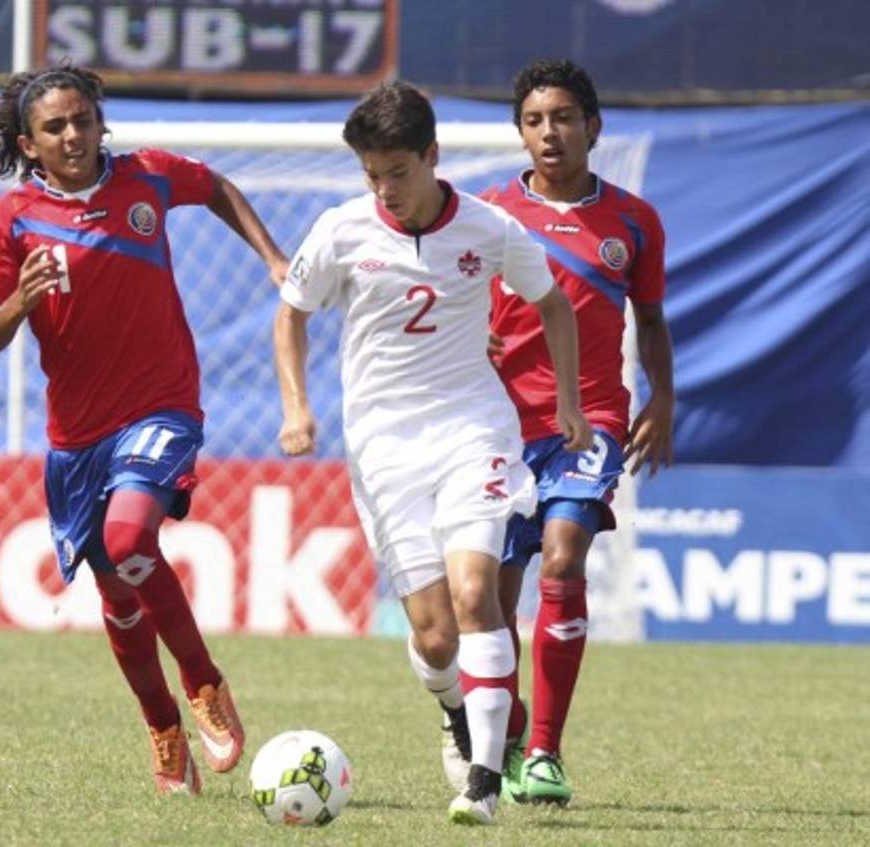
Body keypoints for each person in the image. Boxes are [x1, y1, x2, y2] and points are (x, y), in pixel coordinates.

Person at [274, 80, 592, 826]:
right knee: (433, 632)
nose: (385, 190)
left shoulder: (489, 228)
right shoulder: (341, 231)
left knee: (479, 594)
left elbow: (551, 304)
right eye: (372, 175)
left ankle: (483, 779)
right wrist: (297, 406)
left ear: (432, 156)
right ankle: (455, 711)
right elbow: (290, 317)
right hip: (383, 445)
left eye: (398, 172)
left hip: (472, 428)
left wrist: (570, 403)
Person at [0, 63, 288, 795]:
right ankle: (163, 725)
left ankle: (205, 681)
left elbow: (215, 189)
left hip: (162, 404)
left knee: (127, 538)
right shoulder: (11, 218)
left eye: (83, 119)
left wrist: (271, 256)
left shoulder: (146, 177)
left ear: (100, 120)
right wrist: (21, 300)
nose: (73, 135)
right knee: (115, 595)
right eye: (55, 126)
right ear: (29, 142)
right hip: (77, 435)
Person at [484, 58, 675, 806]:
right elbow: (452, 300)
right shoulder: (492, 214)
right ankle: (507, 721)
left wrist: (662, 397)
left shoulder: (634, 221)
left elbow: (652, 321)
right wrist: (473, 339)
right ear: (521, 134)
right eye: (534, 121)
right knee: (493, 604)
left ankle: (544, 753)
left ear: (593, 127)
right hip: (498, 423)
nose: (550, 132)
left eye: (563, 117)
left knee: (563, 561)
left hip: (588, 417)